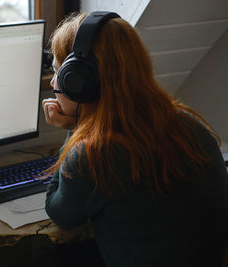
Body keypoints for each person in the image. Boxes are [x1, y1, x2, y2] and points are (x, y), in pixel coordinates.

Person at [42, 11, 228, 267]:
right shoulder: (186, 123)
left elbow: (59, 212)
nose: (53, 82)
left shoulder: (97, 151)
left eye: (57, 73)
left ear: (78, 82)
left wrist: (76, 127)